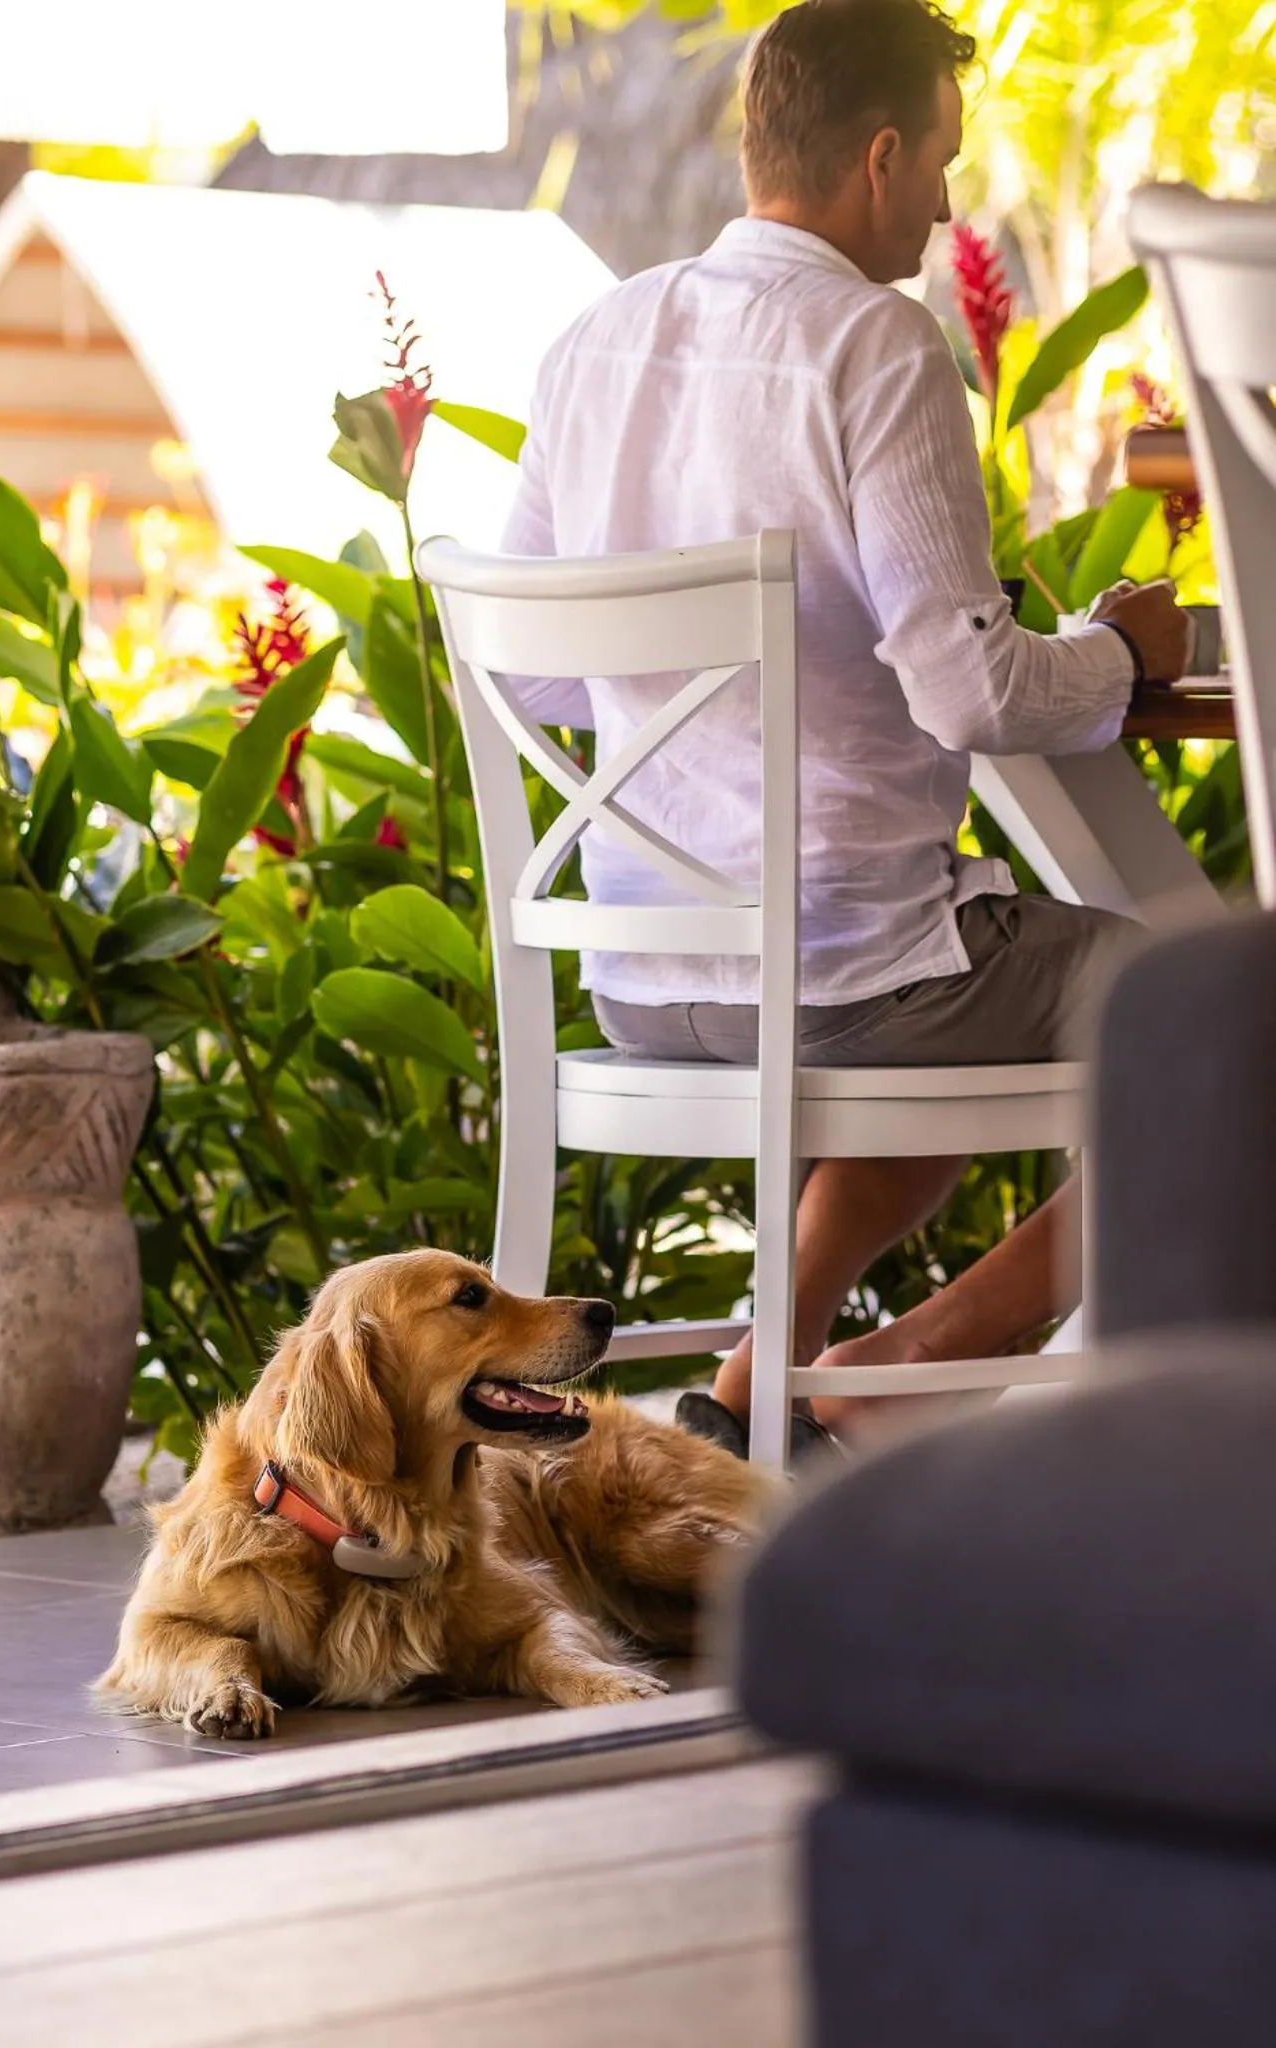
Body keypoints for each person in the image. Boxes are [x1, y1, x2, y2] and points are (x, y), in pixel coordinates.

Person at [500, 0, 1191, 1456]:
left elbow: (544, 682)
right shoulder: (879, 348)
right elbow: (974, 692)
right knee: (1228, 1025)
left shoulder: (593, 342)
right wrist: (1118, 658)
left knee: (955, 941)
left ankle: (758, 1387)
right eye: (942, 159)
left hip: (640, 979)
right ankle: (940, 1353)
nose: (947, 201)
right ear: (881, 158)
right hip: (844, 982)